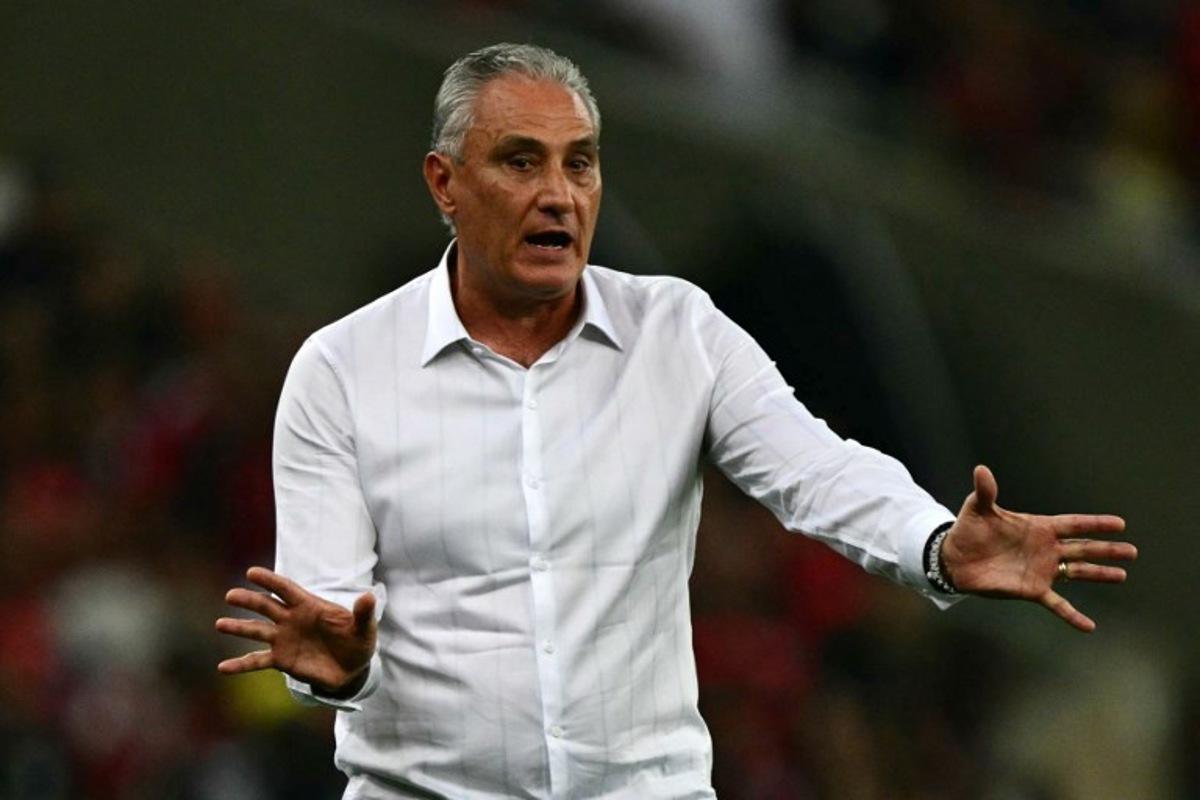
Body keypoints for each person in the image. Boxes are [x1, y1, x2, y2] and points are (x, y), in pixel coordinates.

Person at [215, 43, 1137, 799]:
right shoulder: (341, 373)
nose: (559, 193)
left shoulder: (679, 333)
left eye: (580, 163)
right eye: (521, 162)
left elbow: (815, 470)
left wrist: (932, 544)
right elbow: (324, 621)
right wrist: (337, 671)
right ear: (444, 183)